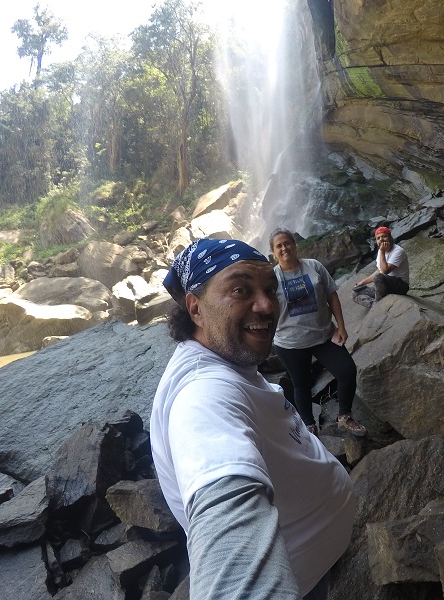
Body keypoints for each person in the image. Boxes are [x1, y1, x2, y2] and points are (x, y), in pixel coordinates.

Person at [150, 238, 356, 600]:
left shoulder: (225, 358)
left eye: (269, 290)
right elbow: (226, 510)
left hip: (309, 567)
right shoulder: (201, 396)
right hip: (298, 579)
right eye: (240, 290)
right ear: (195, 308)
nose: (265, 306)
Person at [269, 228, 366, 437]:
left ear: (295, 245)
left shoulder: (314, 266)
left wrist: (341, 326)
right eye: (279, 246)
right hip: (290, 343)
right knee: (301, 385)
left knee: (347, 370)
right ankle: (310, 428)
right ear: (273, 252)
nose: (284, 248)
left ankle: (344, 416)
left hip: (323, 335)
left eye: (287, 243)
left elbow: (332, 296)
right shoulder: (272, 279)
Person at [353, 226, 410, 306]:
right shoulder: (380, 251)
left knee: (378, 277)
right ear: (376, 241)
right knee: (356, 293)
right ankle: (374, 305)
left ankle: (378, 302)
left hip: (401, 286)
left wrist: (382, 252)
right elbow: (379, 270)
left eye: (384, 236)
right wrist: (363, 282)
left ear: (390, 237)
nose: (381, 239)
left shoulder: (398, 251)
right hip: (384, 284)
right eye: (378, 238)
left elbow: (384, 271)